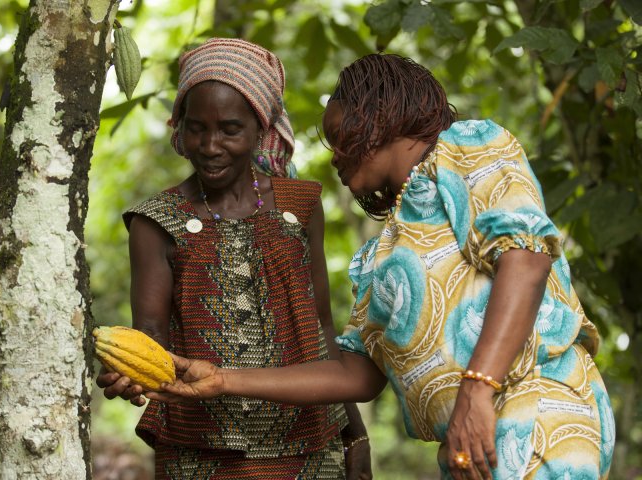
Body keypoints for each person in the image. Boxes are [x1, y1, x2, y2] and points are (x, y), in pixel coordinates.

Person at [148, 53, 616, 480]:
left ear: (376, 115)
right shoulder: (384, 254)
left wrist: (476, 391)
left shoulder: (468, 148)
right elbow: (357, 375)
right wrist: (223, 379)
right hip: (470, 444)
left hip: (536, 414)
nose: (334, 158)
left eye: (338, 137)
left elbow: (526, 257)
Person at [95, 38, 372, 479]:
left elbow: (322, 326)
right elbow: (150, 335)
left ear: (261, 128)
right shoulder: (157, 222)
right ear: (179, 128)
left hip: (310, 442)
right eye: (196, 127)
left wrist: (354, 433)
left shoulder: (300, 206)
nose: (209, 145)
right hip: (200, 452)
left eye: (229, 128)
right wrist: (131, 372)